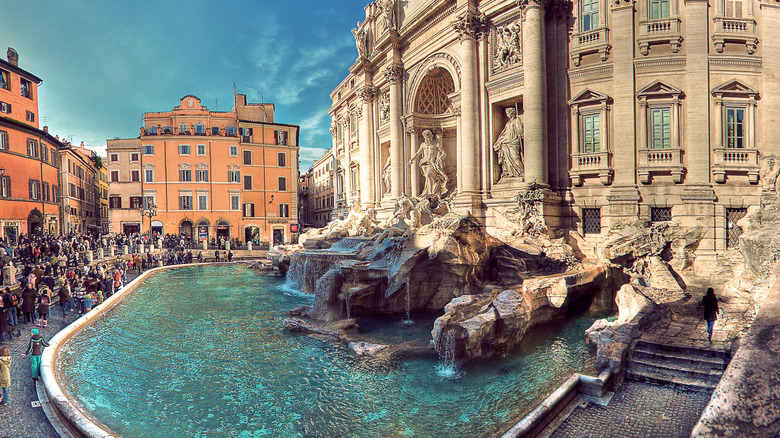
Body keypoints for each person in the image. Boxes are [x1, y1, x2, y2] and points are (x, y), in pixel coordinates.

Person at [408, 130, 448, 197]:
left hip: (431, 163)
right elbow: (418, 153)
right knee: (428, 177)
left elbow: (444, 153)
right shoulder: (423, 145)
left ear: (431, 136)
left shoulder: (435, 144)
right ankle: (429, 192)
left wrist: (439, 158)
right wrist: (411, 160)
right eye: (426, 137)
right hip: (424, 163)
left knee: (429, 175)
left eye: (428, 137)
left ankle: (430, 192)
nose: (428, 139)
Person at [492, 107, 524, 180]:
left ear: (512, 113)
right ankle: (509, 173)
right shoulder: (508, 123)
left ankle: (520, 172)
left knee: (515, 157)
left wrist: (520, 134)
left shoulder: (517, 120)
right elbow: (504, 133)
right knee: (506, 160)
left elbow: (520, 130)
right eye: (506, 114)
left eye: (508, 113)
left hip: (514, 142)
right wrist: (500, 141)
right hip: (506, 142)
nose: (507, 115)